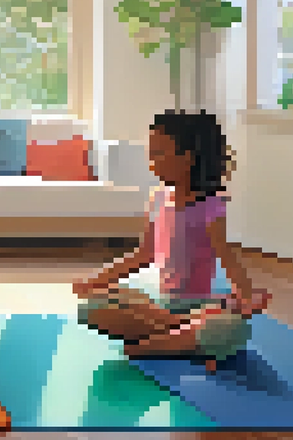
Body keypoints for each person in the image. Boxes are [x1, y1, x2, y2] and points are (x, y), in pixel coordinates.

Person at [74, 109, 271, 372]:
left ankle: (152, 345)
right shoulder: (157, 198)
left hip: (200, 305)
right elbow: (143, 255)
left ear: (187, 158)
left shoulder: (209, 206)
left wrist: (246, 298)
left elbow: (229, 259)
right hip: (161, 308)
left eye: (159, 154)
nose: (151, 163)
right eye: (150, 154)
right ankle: (182, 339)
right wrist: (96, 281)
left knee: (233, 328)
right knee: (92, 308)